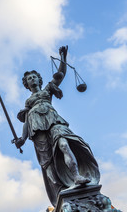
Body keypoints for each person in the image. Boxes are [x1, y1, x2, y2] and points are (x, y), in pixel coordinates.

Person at [15, 46, 100, 207]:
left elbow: (60, 75)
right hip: (36, 128)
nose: (32, 79)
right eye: (29, 79)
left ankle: (76, 176)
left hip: (53, 120)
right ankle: (60, 191)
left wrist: (63, 57)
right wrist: (22, 138)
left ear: (39, 80)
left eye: (34, 77)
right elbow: (26, 122)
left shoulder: (47, 90)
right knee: (47, 162)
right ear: (26, 84)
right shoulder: (28, 103)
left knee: (64, 143)